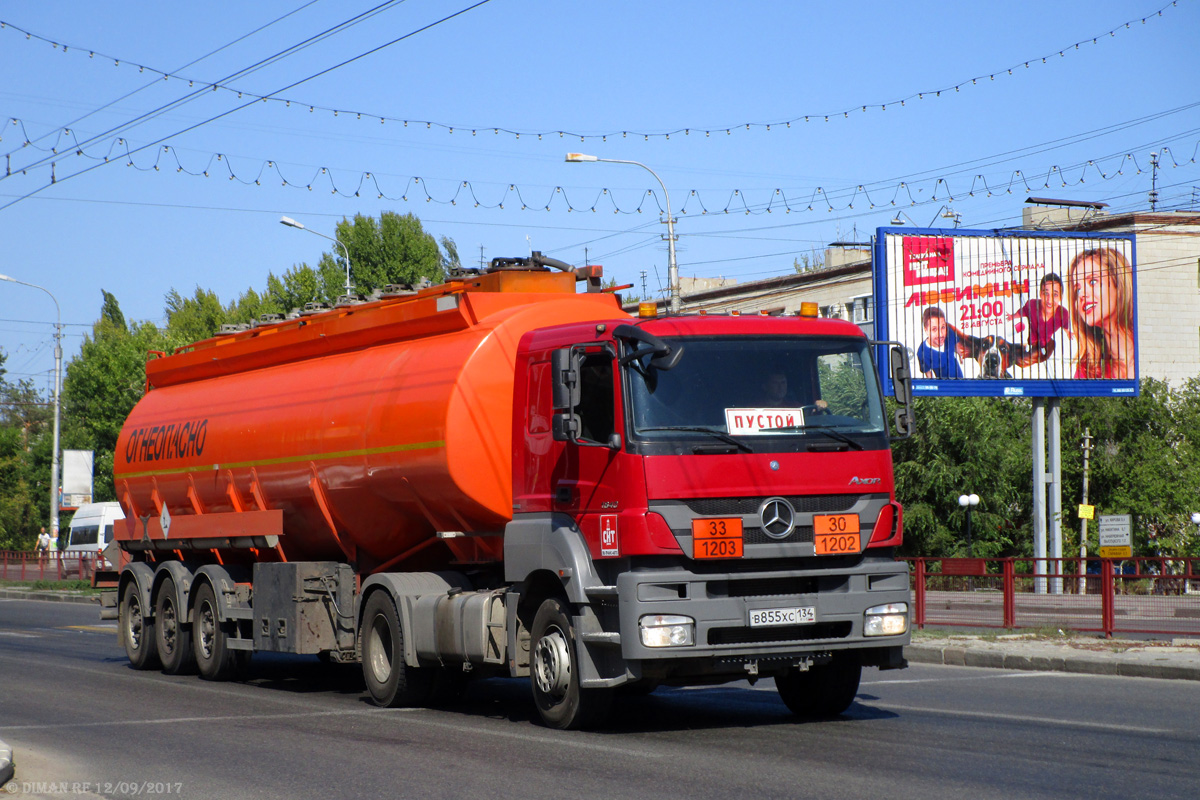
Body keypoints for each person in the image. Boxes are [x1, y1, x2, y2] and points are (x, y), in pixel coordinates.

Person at [1067, 248, 1134, 379]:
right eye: (1077, 289)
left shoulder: (1146, 347)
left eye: (1092, 282)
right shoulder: (1088, 370)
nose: (1082, 295)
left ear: (1119, 283)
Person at [1007, 272, 1069, 348]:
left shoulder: (1064, 313)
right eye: (1046, 293)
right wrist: (1012, 316)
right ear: (1040, 294)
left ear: (1061, 297)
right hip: (1030, 345)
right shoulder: (1032, 305)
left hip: (1046, 347)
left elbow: (1065, 325)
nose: (1049, 300)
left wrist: (1068, 333)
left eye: (1055, 295)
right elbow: (1022, 312)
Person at [916, 306, 963, 379]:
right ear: (926, 330)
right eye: (934, 329)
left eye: (943, 327)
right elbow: (929, 375)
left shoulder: (949, 333)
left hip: (960, 379)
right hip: (944, 386)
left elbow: (955, 343)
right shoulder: (922, 352)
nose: (941, 334)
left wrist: (960, 354)